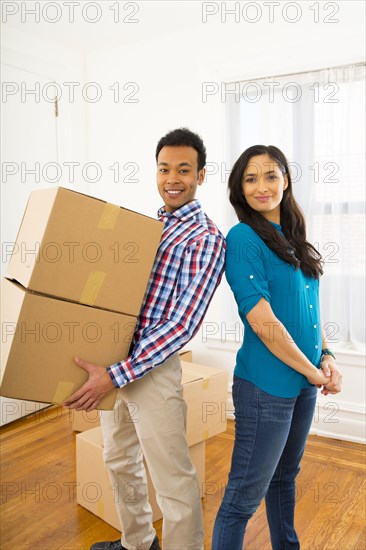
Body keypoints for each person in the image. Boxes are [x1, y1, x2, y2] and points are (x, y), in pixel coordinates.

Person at [64, 128, 226, 550]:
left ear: (201, 175)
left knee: (172, 478)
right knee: (118, 459)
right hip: (113, 362)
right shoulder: (147, 227)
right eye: (164, 168)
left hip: (148, 370)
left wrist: (117, 374)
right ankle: (137, 542)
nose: (172, 178)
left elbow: (182, 325)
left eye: (184, 170)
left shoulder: (205, 239)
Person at [212, 145, 342, 550]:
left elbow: (309, 312)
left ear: (286, 180)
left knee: (286, 477)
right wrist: (311, 370)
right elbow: (264, 323)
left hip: (304, 381)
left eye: (271, 175)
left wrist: (327, 356)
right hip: (264, 388)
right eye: (250, 178)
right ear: (239, 188)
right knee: (243, 498)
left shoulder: (293, 238)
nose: (262, 186)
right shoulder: (243, 237)